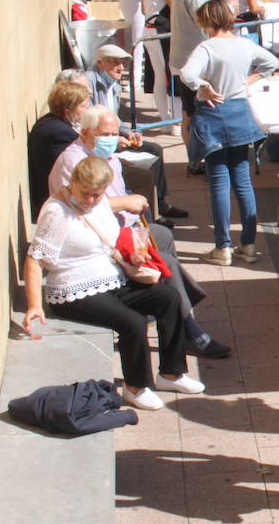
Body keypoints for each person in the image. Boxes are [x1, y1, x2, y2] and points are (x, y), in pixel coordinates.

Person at [24, 156, 205, 411]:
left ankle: (171, 374)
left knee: (169, 298)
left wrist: (133, 256)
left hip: (112, 278)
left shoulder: (99, 203)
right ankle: (136, 387)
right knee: (133, 321)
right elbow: (34, 260)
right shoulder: (57, 212)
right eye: (86, 193)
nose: (91, 200)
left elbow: (108, 239)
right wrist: (34, 305)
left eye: (97, 195)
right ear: (73, 182)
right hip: (75, 290)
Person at [48, 107, 229, 360]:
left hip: (123, 228)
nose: (111, 138)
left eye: (114, 133)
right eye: (105, 134)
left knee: (162, 236)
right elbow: (77, 205)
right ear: (87, 133)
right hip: (102, 239)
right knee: (164, 262)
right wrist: (124, 203)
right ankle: (187, 326)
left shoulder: (105, 154)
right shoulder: (74, 161)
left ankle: (167, 309)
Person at [179, 0, 278, 266]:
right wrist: (248, 80)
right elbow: (270, 61)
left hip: (215, 114)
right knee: (243, 182)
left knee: (220, 183)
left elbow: (186, 74)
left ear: (207, 21)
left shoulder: (208, 47)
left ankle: (223, 246)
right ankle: (248, 244)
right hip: (239, 113)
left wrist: (203, 86)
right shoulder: (245, 44)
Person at [85, 45, 181, 222]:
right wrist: (115, 140)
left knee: (155, 149)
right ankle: (148, 215)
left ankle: (160, 202)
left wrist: (129, 133)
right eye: (115, 63)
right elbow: (89, 123)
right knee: (144, 171)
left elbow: (116, 120)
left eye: (123, 63)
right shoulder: (89, 84)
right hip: (100, 143)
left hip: (113, 137)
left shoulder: (113, 86)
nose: (121, 68)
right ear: (100, 63)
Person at [169, 0, 222, 132]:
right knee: (194, 114)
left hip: (187, 58)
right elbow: (208, 21)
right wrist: (227, 12)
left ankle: (194, 157)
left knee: (190, 113)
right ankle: (197, 157)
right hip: (193, 61)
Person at [27, 81, 89, 219]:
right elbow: (78, 167)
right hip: (58, 204)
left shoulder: (52, 122)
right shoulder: (60, 132)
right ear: (68, 110)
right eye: (83, 106)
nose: (87, 110)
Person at [142, 0, 183, 124]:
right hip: (160, 30)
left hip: (149, 29)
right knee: (169, 74)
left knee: (160, 75)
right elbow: (171, 1)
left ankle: (166, 118)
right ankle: (174, 118)